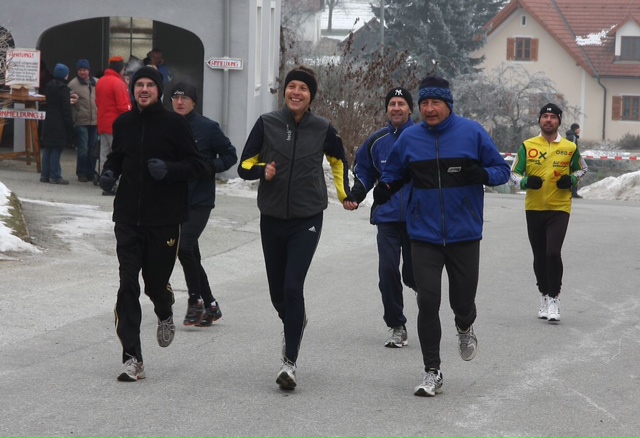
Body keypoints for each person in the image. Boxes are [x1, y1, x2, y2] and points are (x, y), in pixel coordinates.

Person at [375, 76, 510, 397]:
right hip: (423, 234)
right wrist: (386, 186)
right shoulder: (410, 138)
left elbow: (503, 170)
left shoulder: (471, 132)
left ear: (448, 104)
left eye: (435, 103)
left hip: (464, 234)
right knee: (427, 300)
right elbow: (394, 172)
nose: (429, 109)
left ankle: (465, 327)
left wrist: (483, 174)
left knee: (462, 302)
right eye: (424, 104)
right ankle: (432, 370)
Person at [238, 65, 357, 390]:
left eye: (303, 89)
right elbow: (244, 165)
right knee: (279, 293)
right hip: (272, 216)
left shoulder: (323, 129)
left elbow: (339, 162)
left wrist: (345, 194)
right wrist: (264, 170)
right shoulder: (268, 123)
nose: (296, 92)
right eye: (292, 87)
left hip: (307, 216)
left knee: (293, 287)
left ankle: (289, 363)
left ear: (311, 96)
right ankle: (294, 319)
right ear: (285, 91)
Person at [100, 67, 207, 382]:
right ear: (132, 90)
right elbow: (117, 156)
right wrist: (109, 171)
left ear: (159, 91)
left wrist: (170, 170)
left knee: (154, 283)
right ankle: (133, 358)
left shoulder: (174, 124)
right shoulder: (124, 123)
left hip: (164, 219)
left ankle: (165, 308)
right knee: (127, 285)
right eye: (138, 85)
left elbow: (197, 164)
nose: (143, 89)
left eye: (149, 85)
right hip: (128, 218)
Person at [351, 86, 416, 348]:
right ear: (387, 109)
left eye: (401, 103)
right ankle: (397, 325)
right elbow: (365, 169)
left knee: (413, 275)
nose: (396, 108)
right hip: (387, 216)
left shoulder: (423, 136)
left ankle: (425, 301)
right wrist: (357, 192)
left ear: (410, 109)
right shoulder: (377, 141)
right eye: (392, 104)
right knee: (387, 271)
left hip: (418, 218)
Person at [510, 103, 587, 324]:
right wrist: (525, 182)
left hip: (559, 207)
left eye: (553, 117)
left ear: (559, 122)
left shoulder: (570, 147)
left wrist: (571, 180)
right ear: (540, 120)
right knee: (539, 255)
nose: (549, 120)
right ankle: (543, 294)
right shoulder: (528, 145)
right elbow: (513, 173)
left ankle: (555, 297)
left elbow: (582, 168)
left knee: (553, 253)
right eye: (545, 116)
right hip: (534, 207)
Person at [169, 81, 238, 327]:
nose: (179, 102)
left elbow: (230, 154)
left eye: (184, 98)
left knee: (184, 248)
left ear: (194, 102)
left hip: (200, 200)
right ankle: (211, 305)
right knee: (191, 255)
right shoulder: (166, 126)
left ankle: (195, 300)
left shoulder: (208, 128)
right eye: (175, 98)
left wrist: (211, 167)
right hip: (173, 201)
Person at [96, 56, 132, 195]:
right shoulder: (118, 83)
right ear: (120, 68)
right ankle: (114, 183)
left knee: (105, 154)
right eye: (123, 69)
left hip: (103, 123)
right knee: (118, 155)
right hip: (116, 125)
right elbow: (124, 106)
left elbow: (98, 103)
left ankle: (105, 182)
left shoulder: (101, 81)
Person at [40, 63, 74, 185]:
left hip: (49, 119)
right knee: (57, 149)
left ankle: (45, 174)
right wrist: (70, 124)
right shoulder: (64, 89)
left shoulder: (48, 86)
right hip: (59, 122)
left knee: (48, 148)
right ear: (65, 75)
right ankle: (55, 175)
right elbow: (66, 109)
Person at [68, 59, 99, 183]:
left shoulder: (97, 82)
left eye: (84, 70)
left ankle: (91, 171)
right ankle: (81, 172)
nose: (82, 72)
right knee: (83, 148)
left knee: (93, 148)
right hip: (81, 120)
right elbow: (69, 102)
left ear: (88, 70)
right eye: (80, 70)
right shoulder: (72, 84)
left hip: (95, 120)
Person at [565, 123, 583, 199]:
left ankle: (571, 191)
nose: (580, 130)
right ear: (575, 129)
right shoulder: (573, 137)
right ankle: (573, 192)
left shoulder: (569, 136)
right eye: (579, 128)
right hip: (572, 158)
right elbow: (573, 148)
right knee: (577, 173)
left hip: (568, 158)